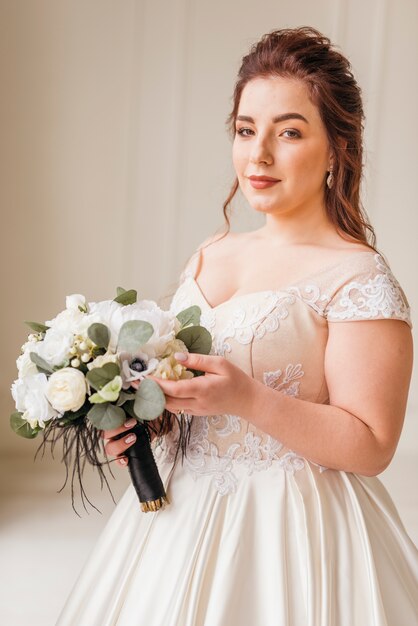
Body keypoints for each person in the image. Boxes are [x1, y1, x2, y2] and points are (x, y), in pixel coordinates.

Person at [57, 26, 418, 625]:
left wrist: (249, 399)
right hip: (176, 522)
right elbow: (190, 400)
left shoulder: (357, 275)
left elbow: (372, 444)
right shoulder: (211, 253)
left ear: (337, 148)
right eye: (247, 130)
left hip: (292, 532)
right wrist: (147, 425)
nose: (259, 155)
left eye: (290, 132)